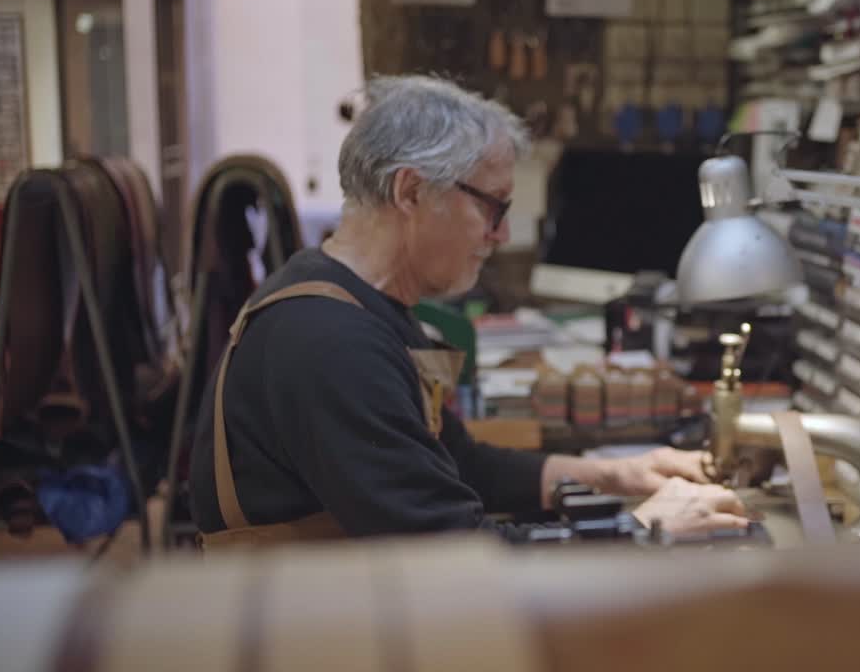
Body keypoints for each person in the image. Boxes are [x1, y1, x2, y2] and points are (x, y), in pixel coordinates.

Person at [188, 75, 751, 548]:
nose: (503, 235)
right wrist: (641, 528)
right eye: (494, 208)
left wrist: (615, 474)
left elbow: (456, 464)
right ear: (411, 192)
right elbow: (451, 552)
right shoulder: (327, 342)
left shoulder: (368, 308)